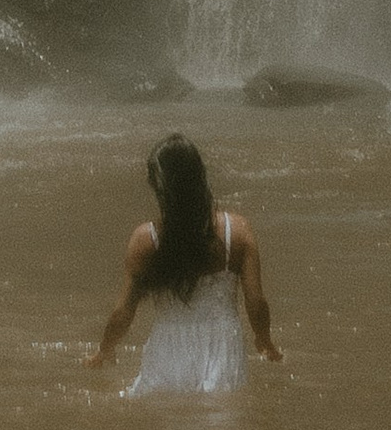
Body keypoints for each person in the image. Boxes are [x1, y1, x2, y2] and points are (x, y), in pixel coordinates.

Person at [84, 131, 282, 393]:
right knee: (219, 424)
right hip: (220, 347)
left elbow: (124, 312)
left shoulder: (146, 240)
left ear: (158, 186)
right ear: (201, 178)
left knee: (165, 421)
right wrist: (264, 339)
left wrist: (105, 349)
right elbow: (256, 303)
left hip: (168, 347)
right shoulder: (237, 231)